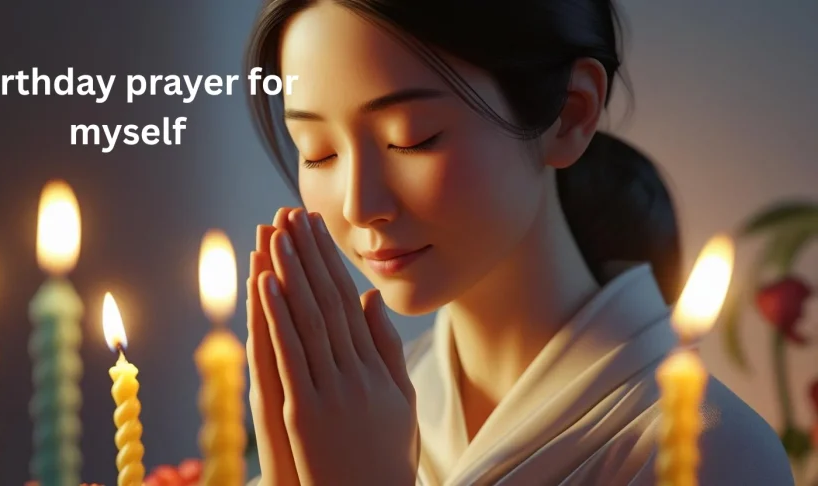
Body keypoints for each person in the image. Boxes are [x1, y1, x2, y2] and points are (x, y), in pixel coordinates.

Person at [241, 1, 793, 485]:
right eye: (316, 151)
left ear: (570, 113)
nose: (359, 206)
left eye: (412, 138)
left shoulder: (711, 452)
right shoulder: (357, 413)